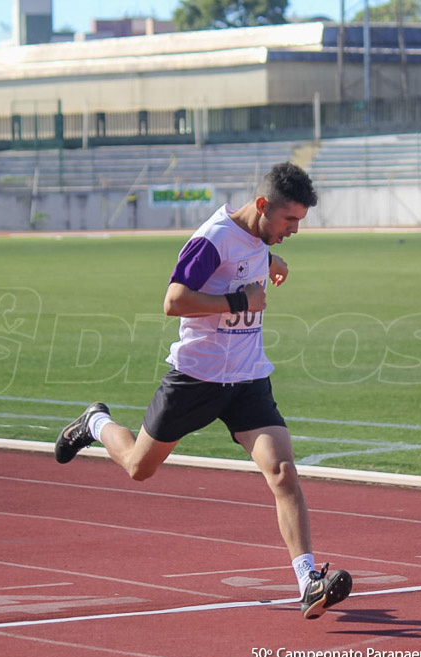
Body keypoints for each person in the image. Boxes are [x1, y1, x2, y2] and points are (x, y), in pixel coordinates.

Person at [54, 162, 352, 620]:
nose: (295, 229)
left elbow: (251, 250)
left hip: (249, 379)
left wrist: (273, 260)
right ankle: (95, 421)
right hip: (195, 379)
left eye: (300, 222)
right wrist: (240, 301)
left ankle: (308, 582)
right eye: (290, 221)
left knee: (283, 472)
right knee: (138, 467)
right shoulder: (211, 239)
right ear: (261, 207)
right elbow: (174, 301)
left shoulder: (258, 237)